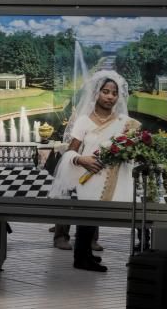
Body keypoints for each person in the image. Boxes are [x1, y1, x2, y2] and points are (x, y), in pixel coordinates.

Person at [48, 71, 139, 272]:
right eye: (105, 91)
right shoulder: (84, 121)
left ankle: (87, 254)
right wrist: (82, 159)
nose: (110, 96)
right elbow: (71, 151)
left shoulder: (124, 123)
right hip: (89, 176)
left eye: (114, 93)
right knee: (87, 216)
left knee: (97, 217)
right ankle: (80, 258)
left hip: (112, 177)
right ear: (96, 93)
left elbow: (130, 149)